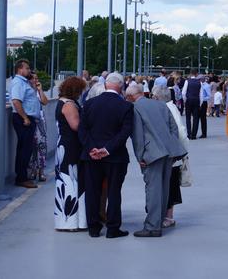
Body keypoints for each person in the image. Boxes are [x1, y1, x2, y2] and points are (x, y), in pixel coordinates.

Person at [126, 84, 186, 238]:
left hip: (152, 154)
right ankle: (158, 221)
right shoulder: (160, 105)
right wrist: (171, 145)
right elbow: (174, 128)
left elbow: (138, 135)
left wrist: (140, 157)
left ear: (131, 97)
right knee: (163, 188)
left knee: (152, 189)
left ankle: (152, 227)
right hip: (168, 151)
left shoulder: (135, 108)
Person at [79, 72, 134, 238]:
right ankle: (112, 228)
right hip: (115, 157)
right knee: (114, 192)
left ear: (105, 85)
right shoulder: (126, 106)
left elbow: (82, 130)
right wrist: (107, 149)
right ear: (120, 86)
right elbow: (125, 132)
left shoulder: (89, 104)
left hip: (91, 156)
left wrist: (92, 149)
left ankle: (93, 228)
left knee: (92, 191)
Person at [54, 76, 88, 231]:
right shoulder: (69, 105)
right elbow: (76, 126)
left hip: (65, 145)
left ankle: (68, 221)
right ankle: (73, 221)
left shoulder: (62, 101)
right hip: (71, 146)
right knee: (73, 182)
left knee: (68, 182)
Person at [159, 85, 190, 229]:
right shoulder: (171, 108)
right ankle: (166, 214)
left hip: (172, 155)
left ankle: (168, 216)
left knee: (170, 185)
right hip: (173, 153)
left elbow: (179, 132)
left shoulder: (167, 109)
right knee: (170, 184)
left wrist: (178, 153)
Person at [10, 59, 39, 189]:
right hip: (23, 119)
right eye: (27, 68)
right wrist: (25, 118)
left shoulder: (25, 82)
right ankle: (21, 178)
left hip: (27, 119)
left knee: (25, 149)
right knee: (24, 150)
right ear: (20, 69)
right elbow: (16, 101)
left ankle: (22, 176)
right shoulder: (18, 83)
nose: (29, 71)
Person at [28, 72, 49, 182]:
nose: (36, 80)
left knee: (42, 146)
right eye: (33, 78)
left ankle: (41, 171)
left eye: (37, 78)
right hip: (31, 120)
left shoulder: (38, 92)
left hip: (40, 121)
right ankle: (33, 170)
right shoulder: (27, 91)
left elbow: (45, 102)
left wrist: (40, 90)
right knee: (32, 147)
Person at [182, 70, 203, 140]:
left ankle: (189, 134)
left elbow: (183, 92)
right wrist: (200, 103)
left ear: (191, 74)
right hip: (196, 100)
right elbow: (201, 94)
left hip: (189, 100)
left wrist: (185, 100)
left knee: (188, 118)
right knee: (196, 118)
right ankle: (194, 135)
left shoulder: (187, 81)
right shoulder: (200, 82)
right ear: (197, 74)